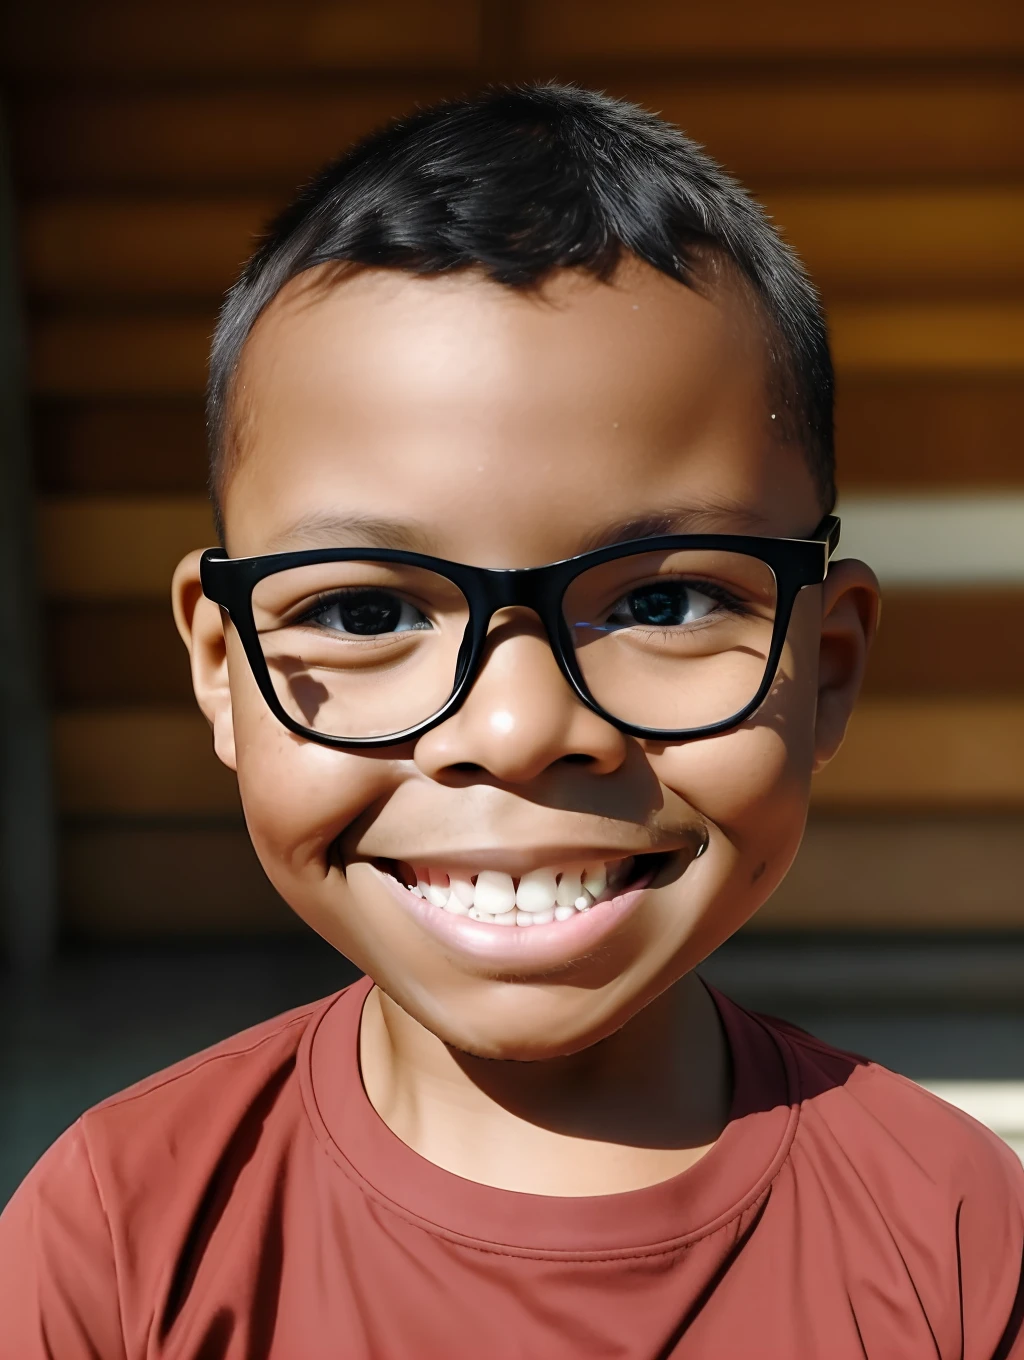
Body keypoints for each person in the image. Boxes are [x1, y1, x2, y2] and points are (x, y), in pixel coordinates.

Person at [2, 83, 1022, 1359]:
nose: (519, 725)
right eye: (367, 611)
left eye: (661, 597)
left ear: (824, 667)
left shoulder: (957, 1241)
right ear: (222, 668)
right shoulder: (118, 1244)